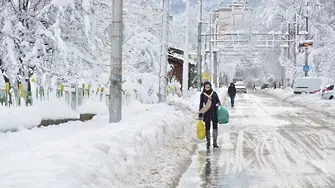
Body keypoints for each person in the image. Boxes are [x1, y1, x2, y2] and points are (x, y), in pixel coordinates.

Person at [198, 81, 221, 149]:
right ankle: (208, 142)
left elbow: (219, 103)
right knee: (207, 128)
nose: (207, 88)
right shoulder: (202, 95)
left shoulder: (214, 94)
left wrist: (215, 106)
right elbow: (201, 105)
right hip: (207, 113)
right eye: (206, 87)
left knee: (215, 127)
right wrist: (200, 114)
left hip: (214, 112)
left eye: (208, 87)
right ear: (204, 87)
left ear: (210, 87)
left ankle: (214, 143)